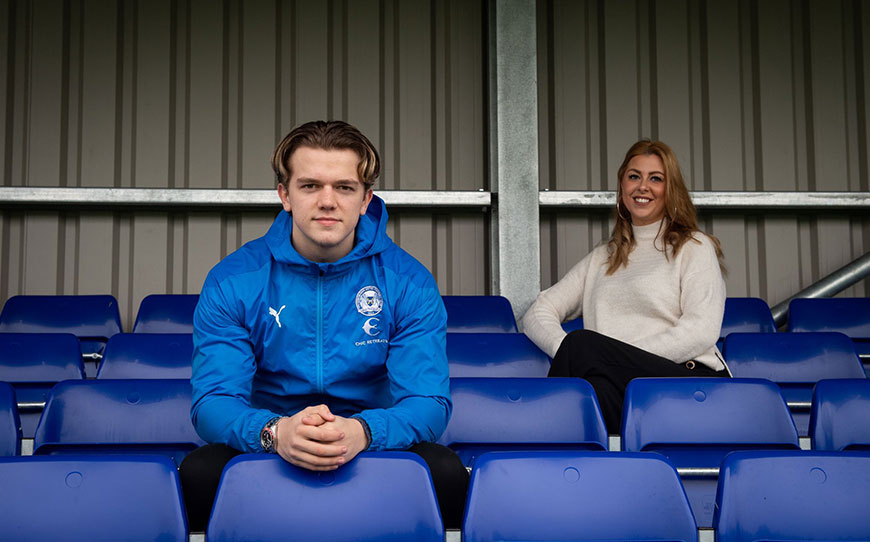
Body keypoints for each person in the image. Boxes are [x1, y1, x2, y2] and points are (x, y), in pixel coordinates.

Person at [179, 120, 468, 531]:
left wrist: (363, 431)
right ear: (285, 195)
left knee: (445, 472)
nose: (327, 201)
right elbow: (213, 401)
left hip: (370, 436)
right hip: (272, 434)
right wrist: (276, 432)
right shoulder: (234, 280)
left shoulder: (409, 282)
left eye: (344, 187)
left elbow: (428, 402)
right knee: (199, 473)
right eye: (311, 186)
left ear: (366, 199)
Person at [522, 139, 730, 433]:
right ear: (622, 186)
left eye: (655, 179)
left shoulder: (694, 247)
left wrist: (611, 355)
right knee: (588, 395)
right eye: (634, 176)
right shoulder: (603, 258)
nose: (643, 187)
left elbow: (701, 331)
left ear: (671, 189)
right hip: (621, 386)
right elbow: (538, 311)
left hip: (687, 381)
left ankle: (533, 440)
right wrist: (571, 351)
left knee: (583, 345)